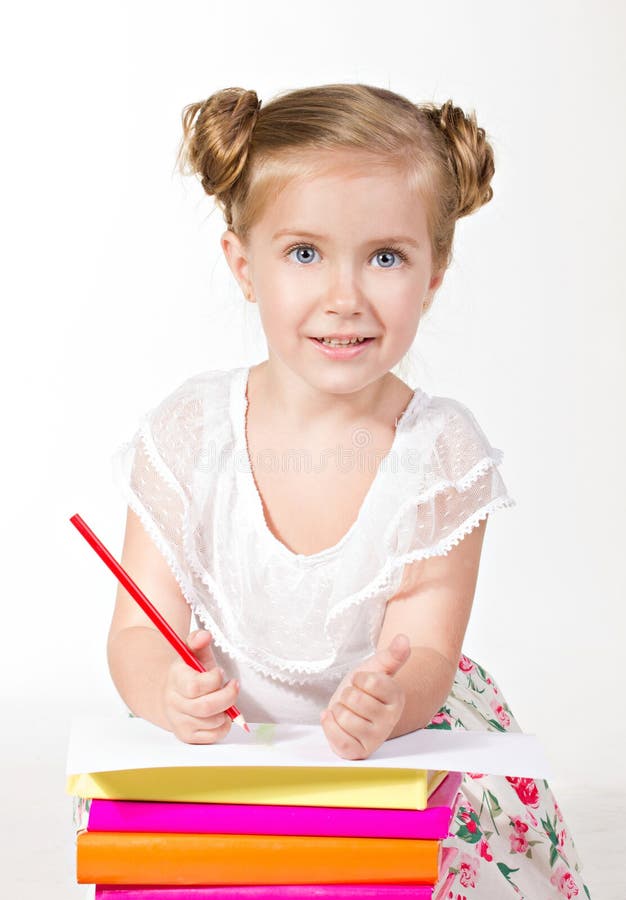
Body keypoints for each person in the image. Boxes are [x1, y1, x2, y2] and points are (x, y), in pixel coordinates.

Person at [107, 84, 591, 898]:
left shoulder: (441, 454)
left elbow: (427, 648)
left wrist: (389, 701)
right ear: (243, 266)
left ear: (433, 272)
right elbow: (135, 629)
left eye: (386, 257)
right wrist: (166, 688)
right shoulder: (190, 434)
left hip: (396, 749)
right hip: (237, 754)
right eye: (304, 253)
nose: (345, 296)